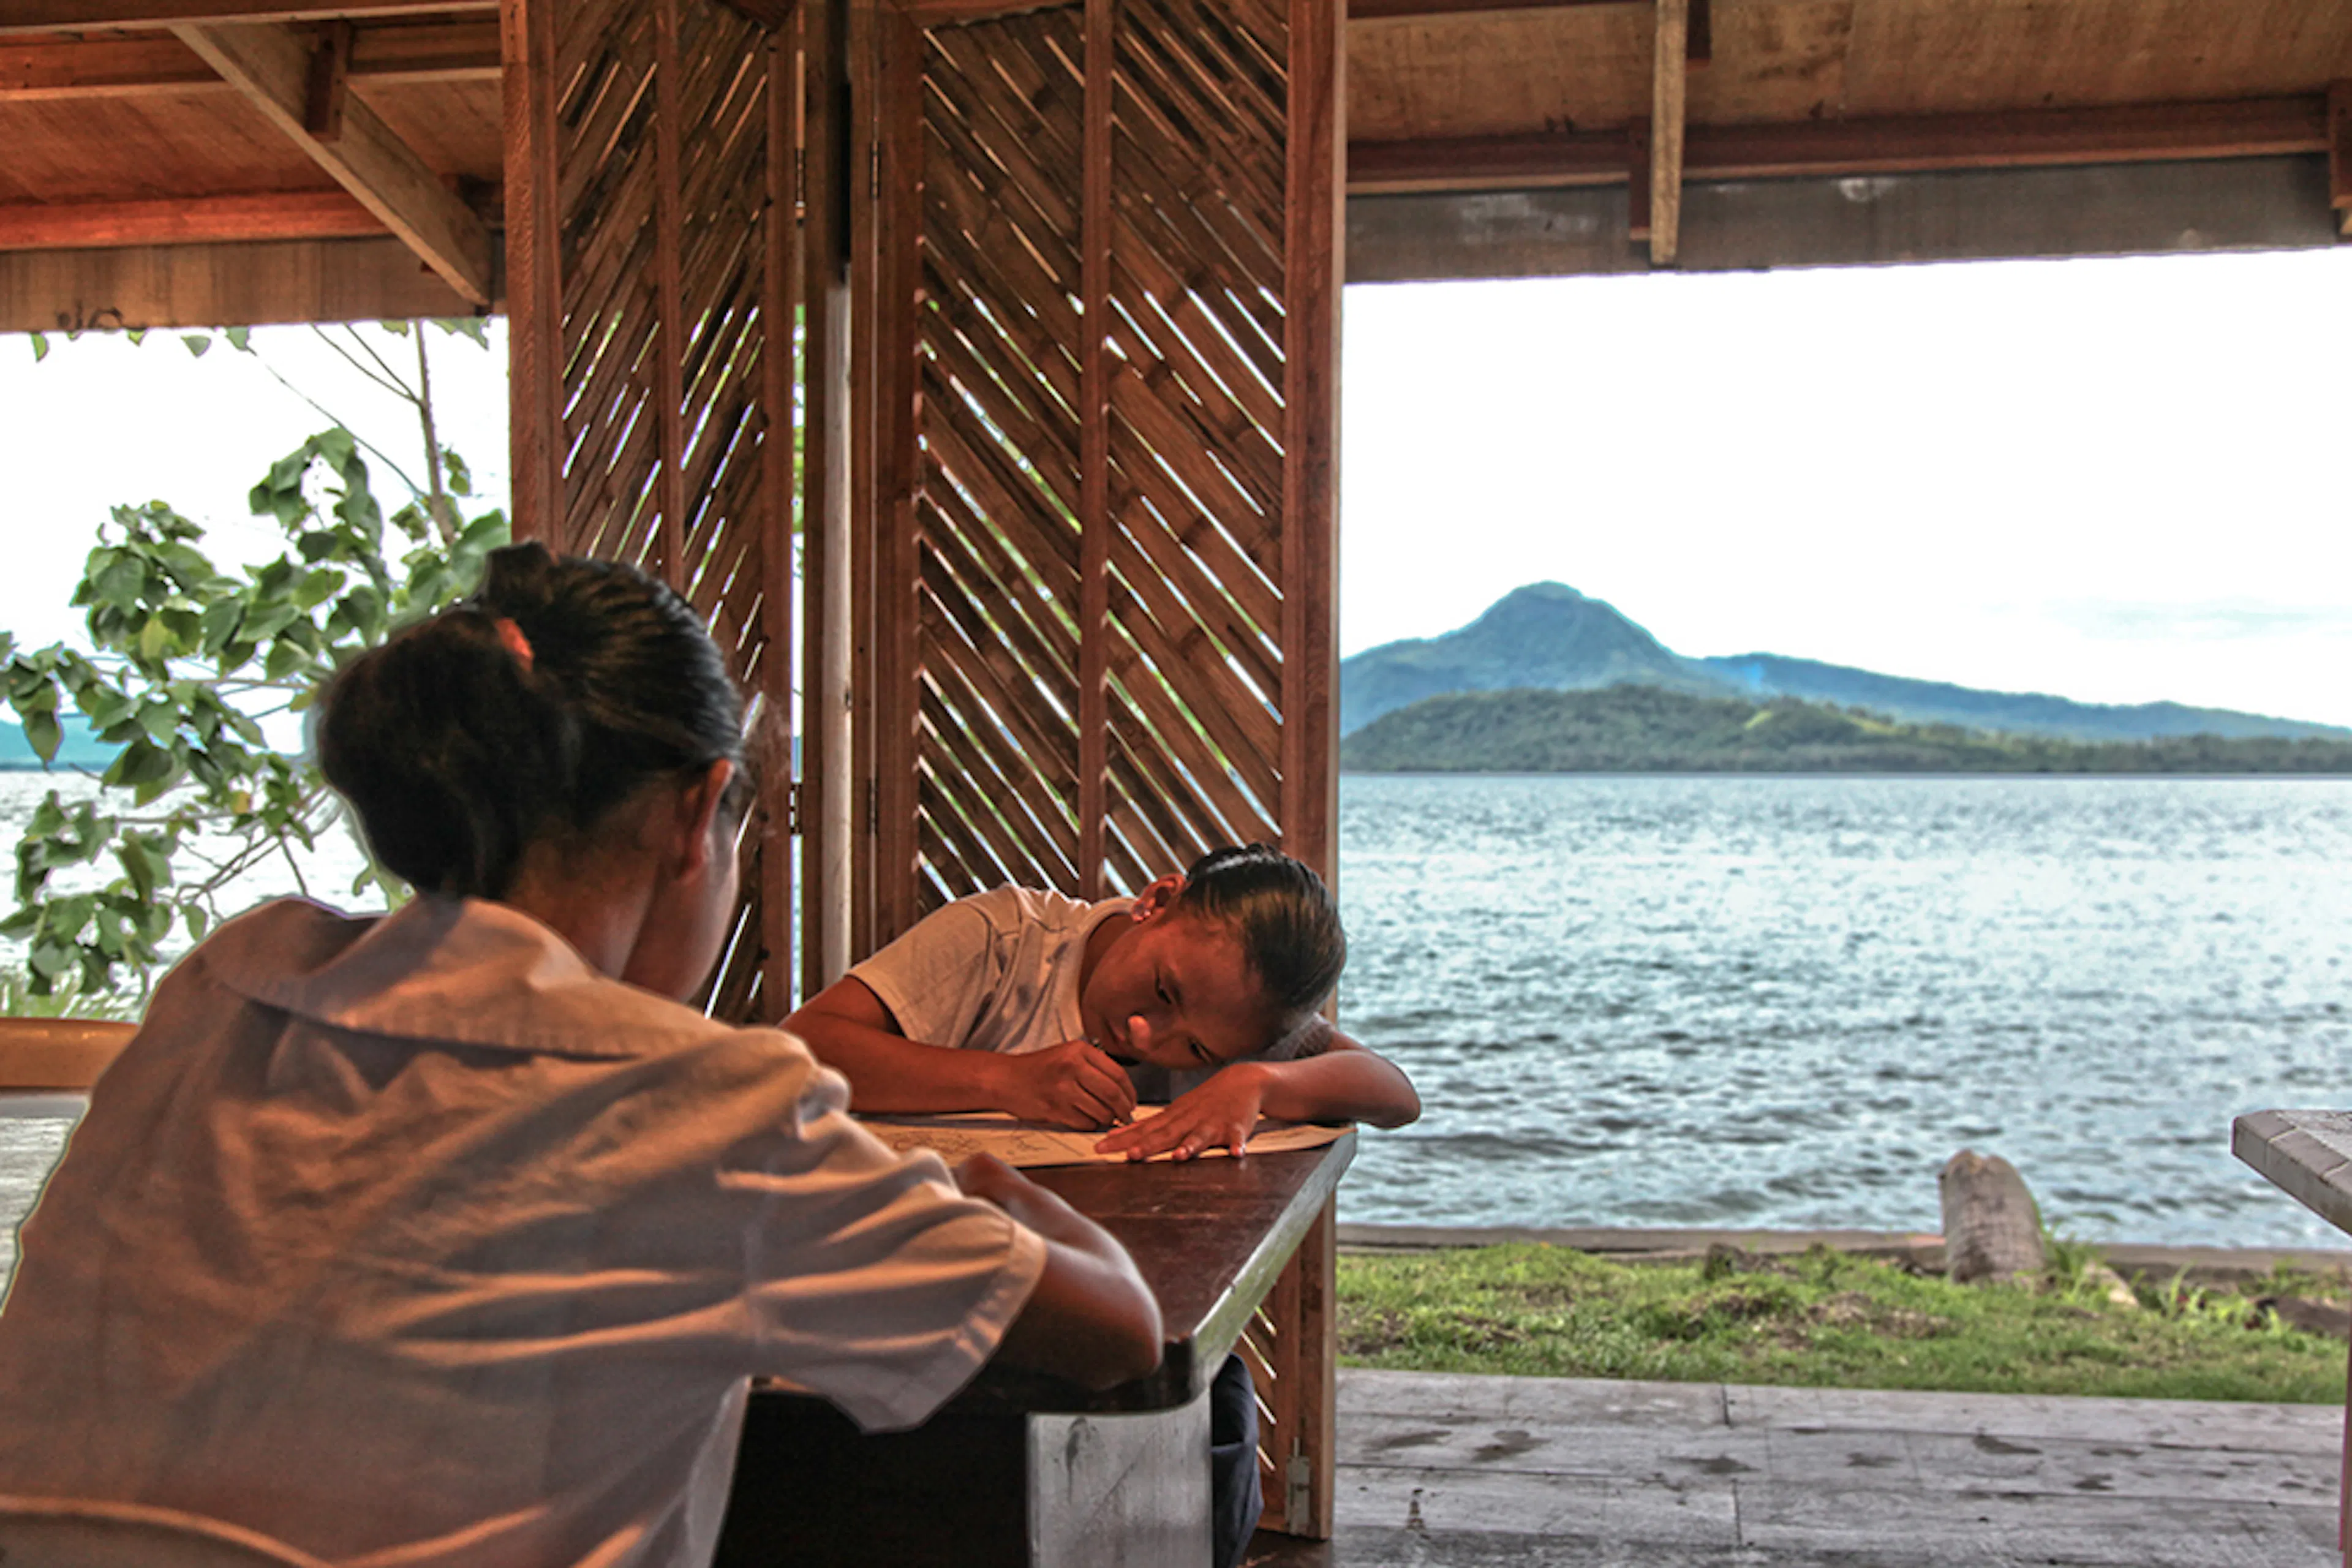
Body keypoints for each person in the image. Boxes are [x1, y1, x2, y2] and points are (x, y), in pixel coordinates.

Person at [0, 543, 1162, 1568]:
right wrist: (977, 1185)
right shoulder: (691, 1104)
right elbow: (1119, 1332)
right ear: (696, 816)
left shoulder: (231, 984)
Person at [784, 845, 1419, 1568]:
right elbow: (802, 1049)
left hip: (1116, 1308)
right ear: (1155, 901)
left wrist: (1259, 1081)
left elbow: (1394, 1092)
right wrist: (1002, 1079)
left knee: (1212, 1405)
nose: (1150, 1035)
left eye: (1196, 1045)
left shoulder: (1238, 1020)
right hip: (924, 1300)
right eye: (1163, 991)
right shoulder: (1007, 943)